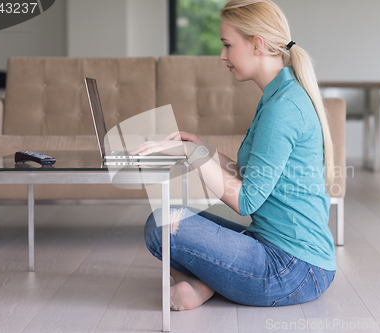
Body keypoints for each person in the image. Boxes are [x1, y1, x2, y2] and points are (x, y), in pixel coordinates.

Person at [130, 0, 336, 311]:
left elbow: (245, 201)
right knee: (169, 216)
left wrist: (189, 154)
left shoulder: (283, 108)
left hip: (293, 268)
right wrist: (203, 149)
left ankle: (207, 283)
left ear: (258, 44)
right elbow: (249, 172)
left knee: (162, 225)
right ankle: (204, 286)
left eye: (228, 45)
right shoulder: (278, 95)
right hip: (277, 250)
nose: (222, 55)